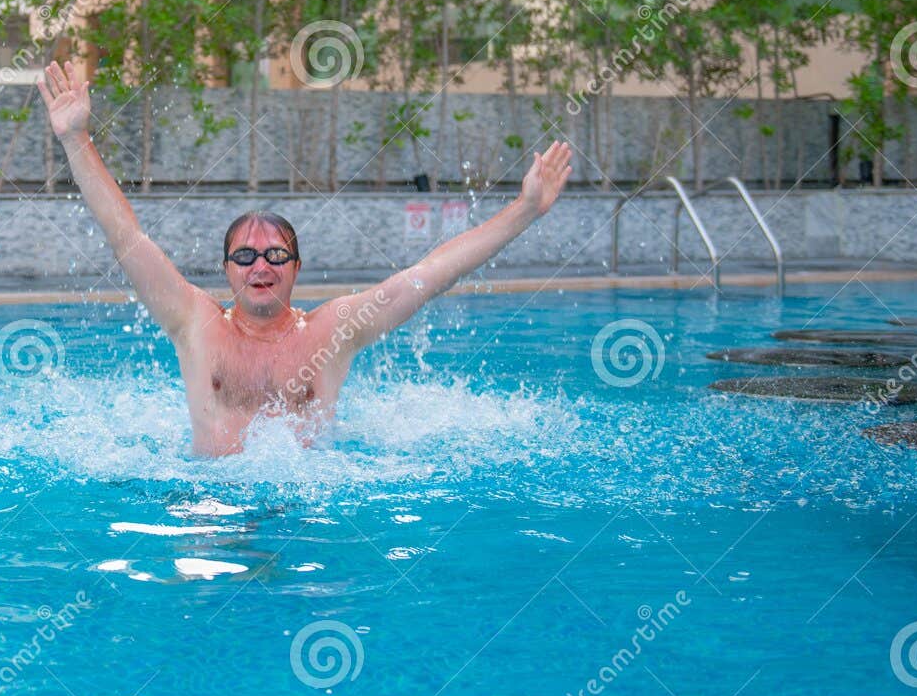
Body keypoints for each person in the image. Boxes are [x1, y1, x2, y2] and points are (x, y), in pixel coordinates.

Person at [37, 62, 573, 457]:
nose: (260, 267)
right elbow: (125, 236)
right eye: (244, 256)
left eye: (275, 255)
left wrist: (525, 210)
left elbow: (431, 274)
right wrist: (77, 138)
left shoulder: (333, 329)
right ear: (227, 270)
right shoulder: (194, 322)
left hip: (308, 510)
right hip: (209, 501)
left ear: (296, 267)